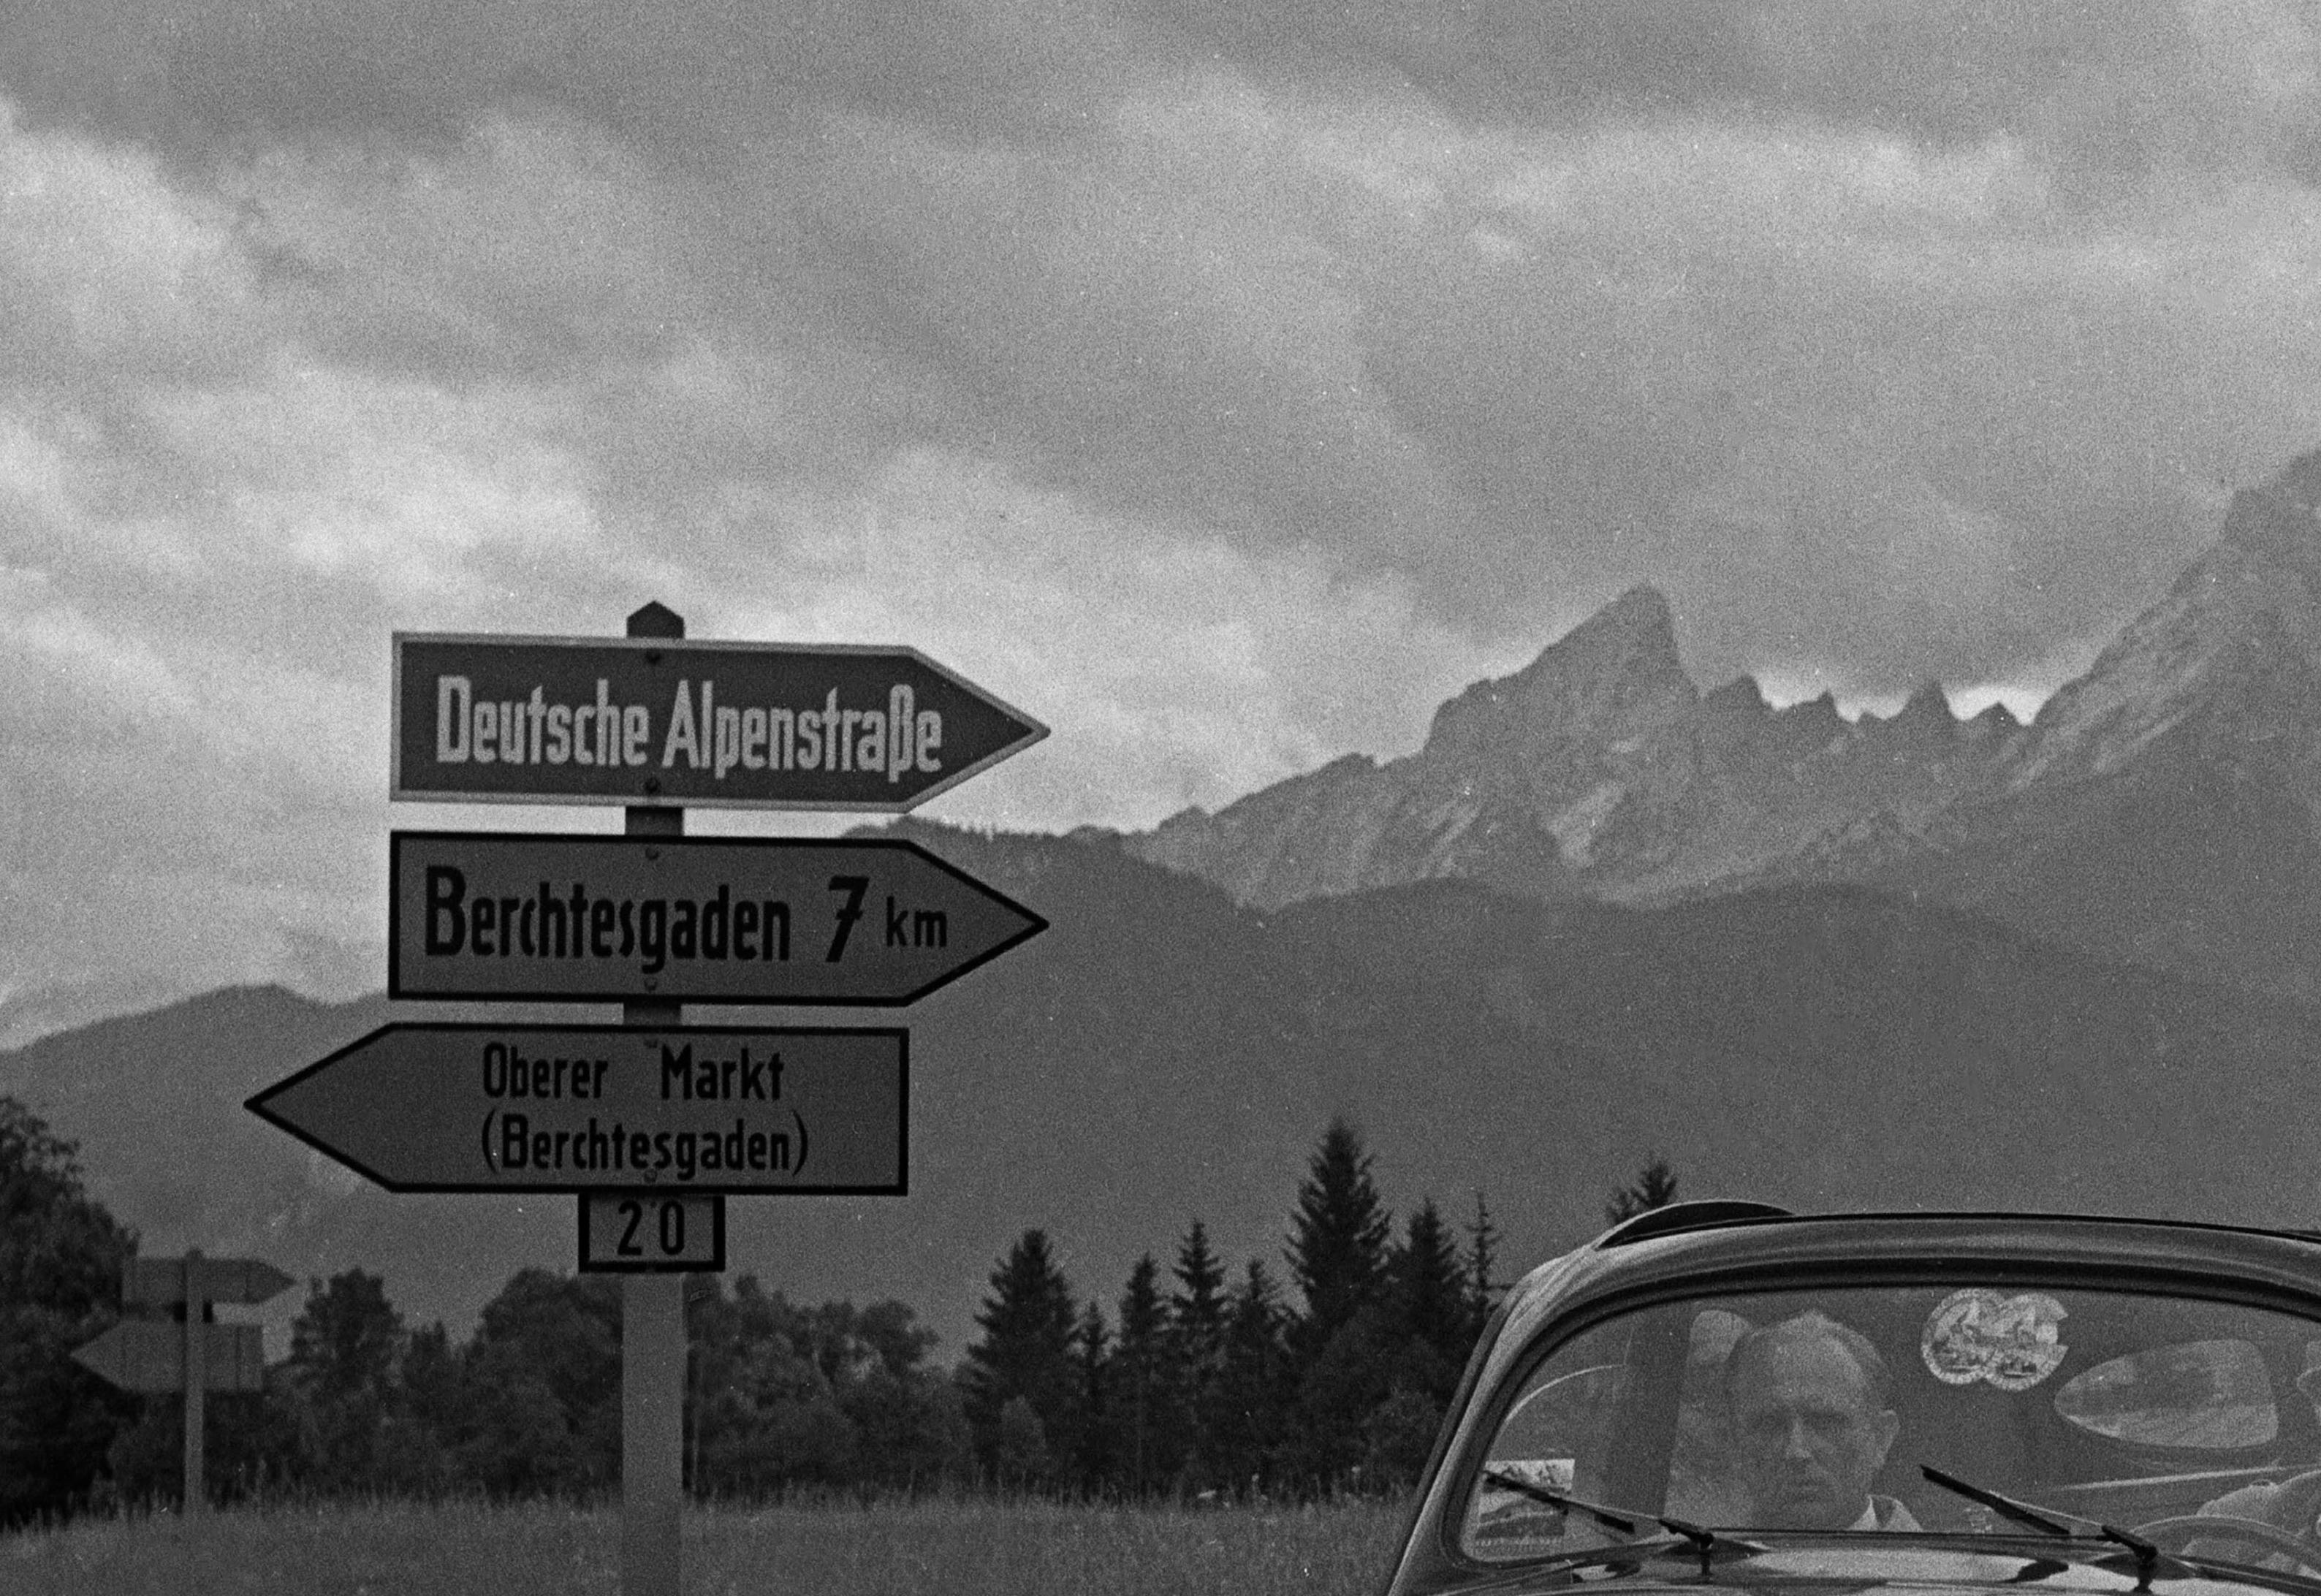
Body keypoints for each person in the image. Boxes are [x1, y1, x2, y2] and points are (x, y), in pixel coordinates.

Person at [1722, 1310, 1921, 1531]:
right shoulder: (1697, 1559)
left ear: (1881, 1438)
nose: (1796, 1452)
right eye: (1770, 1425)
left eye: (1825, 1424)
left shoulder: (1936, 1564)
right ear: (1735, 1442)